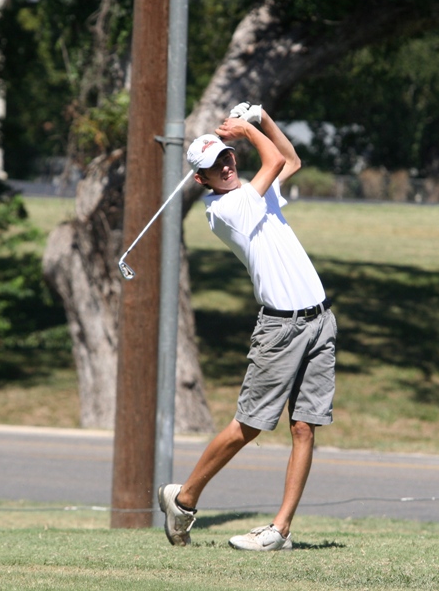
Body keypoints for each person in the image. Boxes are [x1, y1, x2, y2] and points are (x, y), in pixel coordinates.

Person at [157, 103, 337, 552]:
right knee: (249, 426)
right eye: (214, 166)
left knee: (304, 427)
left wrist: (262, 119)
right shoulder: (227, 208)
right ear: (202, 180)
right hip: (280, 330)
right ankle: (184, 499)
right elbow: (272, 160)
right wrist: (246, 128)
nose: (225, 165)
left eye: (226, 156)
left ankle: (280, 530)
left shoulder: (257, 192)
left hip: (320, 321)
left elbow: (289, 159)